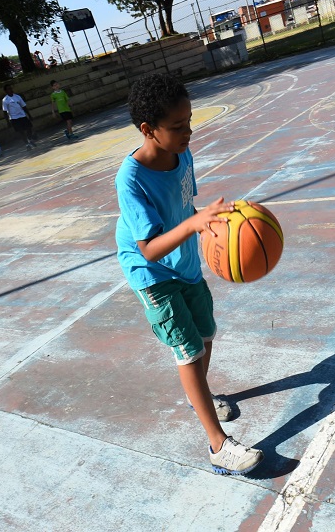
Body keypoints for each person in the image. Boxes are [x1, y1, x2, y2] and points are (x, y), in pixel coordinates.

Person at [115, 73, 266, 473]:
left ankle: (197, 392)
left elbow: (184, 211)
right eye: (178, 126)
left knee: (205, 334)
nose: (188, 132)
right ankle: (218, 446)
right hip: (150, 272)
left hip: (183, 263)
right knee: (188, 350)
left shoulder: (183, 154)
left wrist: (214, 218)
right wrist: (193, 226)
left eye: (190, 121)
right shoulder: (130, 179)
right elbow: (148, 246)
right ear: (149, 130)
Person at [1, 84, 37, 150]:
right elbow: (5, 112)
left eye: (11, 88)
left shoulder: (17, 97)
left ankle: (29, 140)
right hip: (14, 118)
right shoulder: (5, 100)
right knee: (21, 132)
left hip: (22, 115)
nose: (11, 90)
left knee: (29, 128)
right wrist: (8, 122)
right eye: (8, 89)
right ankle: (27, 145)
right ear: (6, 91)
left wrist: (29, 115)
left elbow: (24, 106)